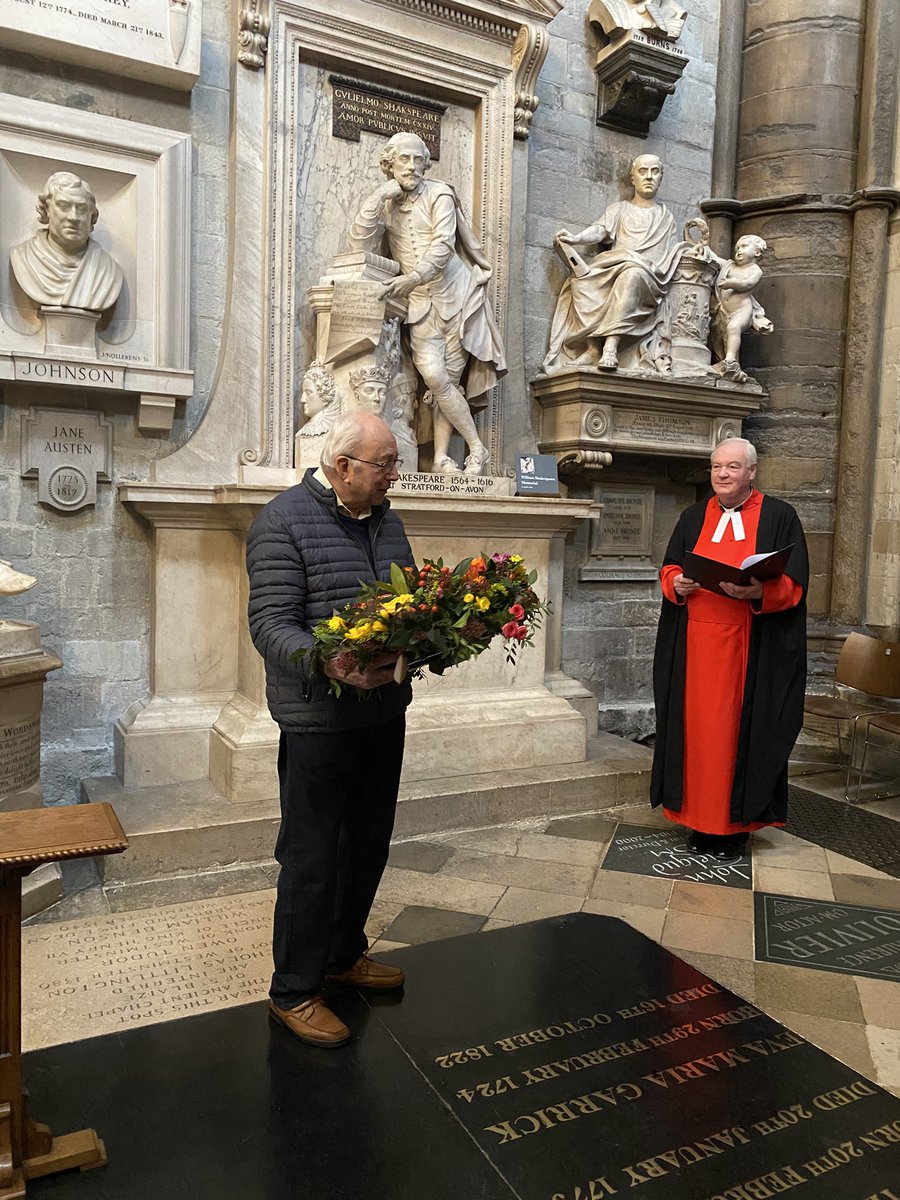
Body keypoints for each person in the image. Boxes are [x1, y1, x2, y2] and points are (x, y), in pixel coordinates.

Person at [247, 410, 415, 1048]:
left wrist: (427, 637)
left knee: (368, 843)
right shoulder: (282, 521)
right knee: (313, 856)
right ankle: (293, 988)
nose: (394, 475)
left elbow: (406, 602)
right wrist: (326, 659)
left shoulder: (387, 520)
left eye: (394, 463)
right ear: (343, 467)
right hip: (319, 719)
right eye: (385, 465)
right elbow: (270, 623)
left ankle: (344, 955)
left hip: (381, 711)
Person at [650, 438, 808, 862]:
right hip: (695, 649)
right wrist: (676, 583)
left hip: (745, 649)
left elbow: (794, 584)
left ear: (751, 472)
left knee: (731, 737)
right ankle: (697, 820)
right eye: (717, 466)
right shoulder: (693, 515)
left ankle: (732, 827)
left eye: (733, 467)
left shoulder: (779, 516)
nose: (722, 474)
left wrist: (760, 591)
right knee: (696, 735)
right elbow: (669, 566)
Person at [347, 131, 506, 476]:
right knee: (435, 379)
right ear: (389, 164)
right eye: (405, 159)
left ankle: (440, 459)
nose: (413, 166)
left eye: (419, 159)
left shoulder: (440, 194)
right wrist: (378, 196)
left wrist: (412, 278)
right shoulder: (387, 204)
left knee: (443, 380)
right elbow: (359, 243)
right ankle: (476, 448)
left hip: (456, 297)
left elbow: (443, 245)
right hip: (419, 305)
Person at [543, 154, 686, 373]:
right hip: (614, 265)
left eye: (654, 171)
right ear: (633, 178)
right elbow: (600, 230)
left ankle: (610, 347)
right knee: (581, 283)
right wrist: (576, 239)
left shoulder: (666, 217)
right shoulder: (619, 209)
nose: (649, 177)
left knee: (632, 274)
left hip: (649, 274)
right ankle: (592, 348)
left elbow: (670, 256)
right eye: (643, 171)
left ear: (661, 177)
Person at [10, 171, 123, 312]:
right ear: (47, 210)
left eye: (81, 209)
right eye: (64, 206)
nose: (74, 217)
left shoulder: (107, 270)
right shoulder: (24, 258)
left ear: (91, 216)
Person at [710, 235, 774, 382]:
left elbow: (747, 284)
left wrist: (731, 283)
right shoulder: (730, 265)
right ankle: (723, 362)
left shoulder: (755, 270)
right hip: (722, 311)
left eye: (744, 246)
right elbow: (716, 260)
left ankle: (731, 360)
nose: (739, 250)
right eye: (737, 248)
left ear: (757, 253)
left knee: (734, 328)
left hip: (741, 311)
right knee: (718, 338)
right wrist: (703, 249)